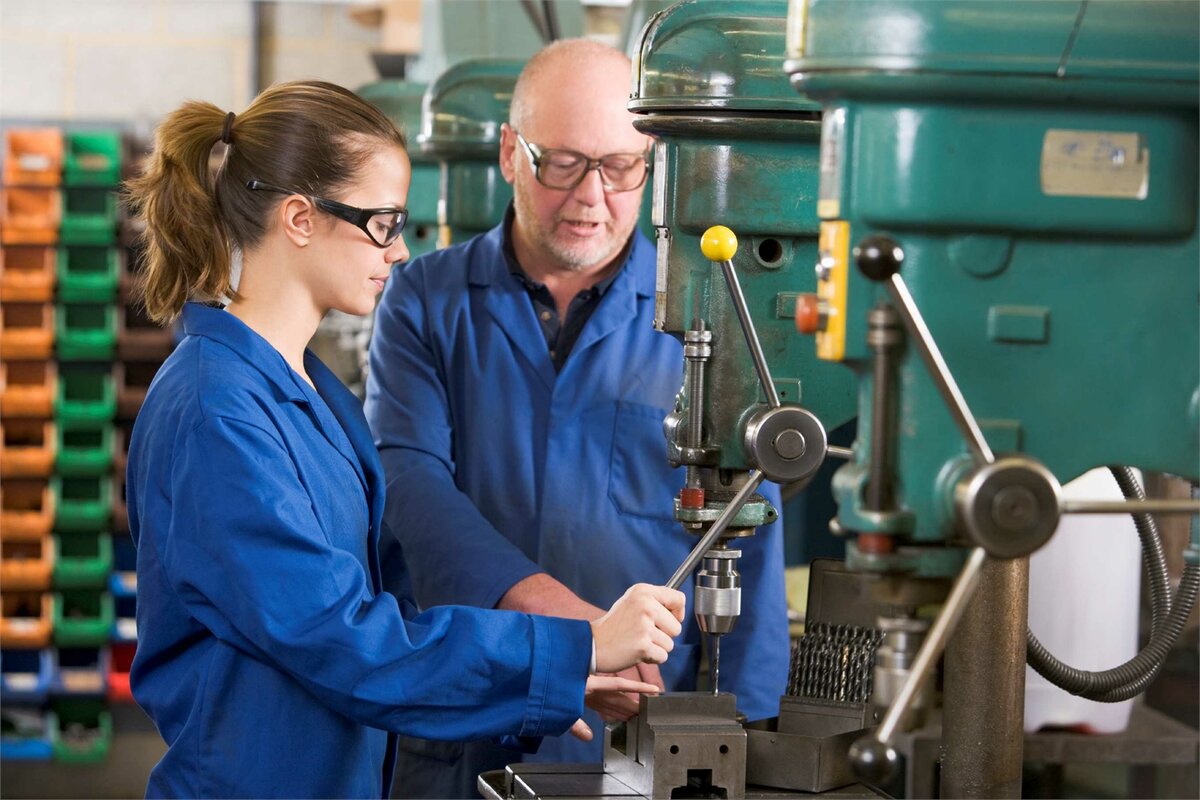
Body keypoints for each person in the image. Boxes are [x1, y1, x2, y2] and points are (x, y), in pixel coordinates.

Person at [123, 80, 688, 800]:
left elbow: (392, 614)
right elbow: (344, 641)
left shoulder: (311, 394)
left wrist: (555, 682)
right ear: (299, 217)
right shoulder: (217, 412)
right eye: (382, 222)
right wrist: (575, 647)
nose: (397, 251)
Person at [365, 39, 790, 798]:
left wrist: (750, 741)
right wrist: (580, 636)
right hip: (465, 722)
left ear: (651, 162)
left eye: (621, 167)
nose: (592, 196)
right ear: (507, 152)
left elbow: (751, 537)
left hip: (646, 742)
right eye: (560, 163)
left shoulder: (708, 314)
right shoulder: (424, 302)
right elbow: (409, 486)